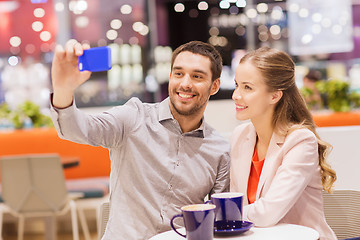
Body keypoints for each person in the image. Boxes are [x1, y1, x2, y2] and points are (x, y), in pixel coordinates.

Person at [49, 39, 230, 240]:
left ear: (214, 86)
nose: (185, 83)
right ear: (170, 77)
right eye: (178, 74)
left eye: (197, 76)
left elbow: (222, 221)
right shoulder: (134, 117)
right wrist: (63, 89)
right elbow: (76, 129)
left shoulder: (219, 149)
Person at [230, 47, 337, 240]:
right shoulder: (240, 136)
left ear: (274, 96)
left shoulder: (300, 140)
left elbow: (268, 213)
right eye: (236, 85)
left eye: (247, 87)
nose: (236, 95)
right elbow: (234, 203)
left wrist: (221, 216)